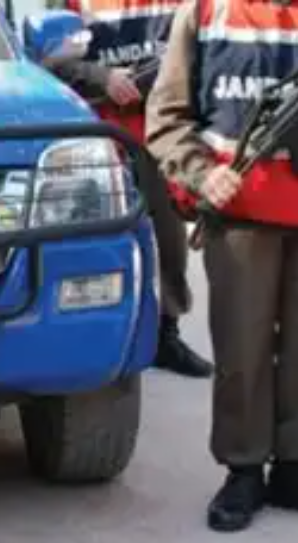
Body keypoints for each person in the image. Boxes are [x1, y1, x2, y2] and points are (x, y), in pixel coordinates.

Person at [146, 0, 298, 532]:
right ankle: (244, 468)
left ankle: (293, 464)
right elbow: (166, 119)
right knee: (242, 350)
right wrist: (200, 175)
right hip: (239, 217)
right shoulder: (206, 11)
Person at [45, 0, 214, 378]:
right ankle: (96, 338)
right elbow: (51, 61)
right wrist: (102, 77)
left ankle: (166, 335)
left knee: (171, 242)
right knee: (100, 245)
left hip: (164, 135)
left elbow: (205, 50)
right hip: (101, 137)